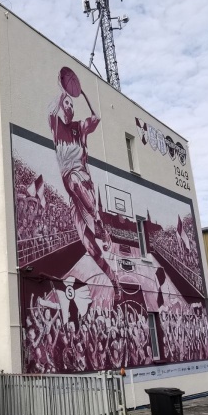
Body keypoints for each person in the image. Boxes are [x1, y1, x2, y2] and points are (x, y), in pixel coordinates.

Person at [48, 78, 117, 287]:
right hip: (73, 195)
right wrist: (63, 91)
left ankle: (98, 221)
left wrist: (82, 92)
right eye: (67, 104)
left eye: (71, 105)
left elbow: (96, 117)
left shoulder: (80, 128)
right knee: (88, 245)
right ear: (62, 107)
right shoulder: (56, 125)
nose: (70, 107)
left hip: (82, 181)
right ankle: (115, 283)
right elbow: (50, 110)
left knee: (74, 180)